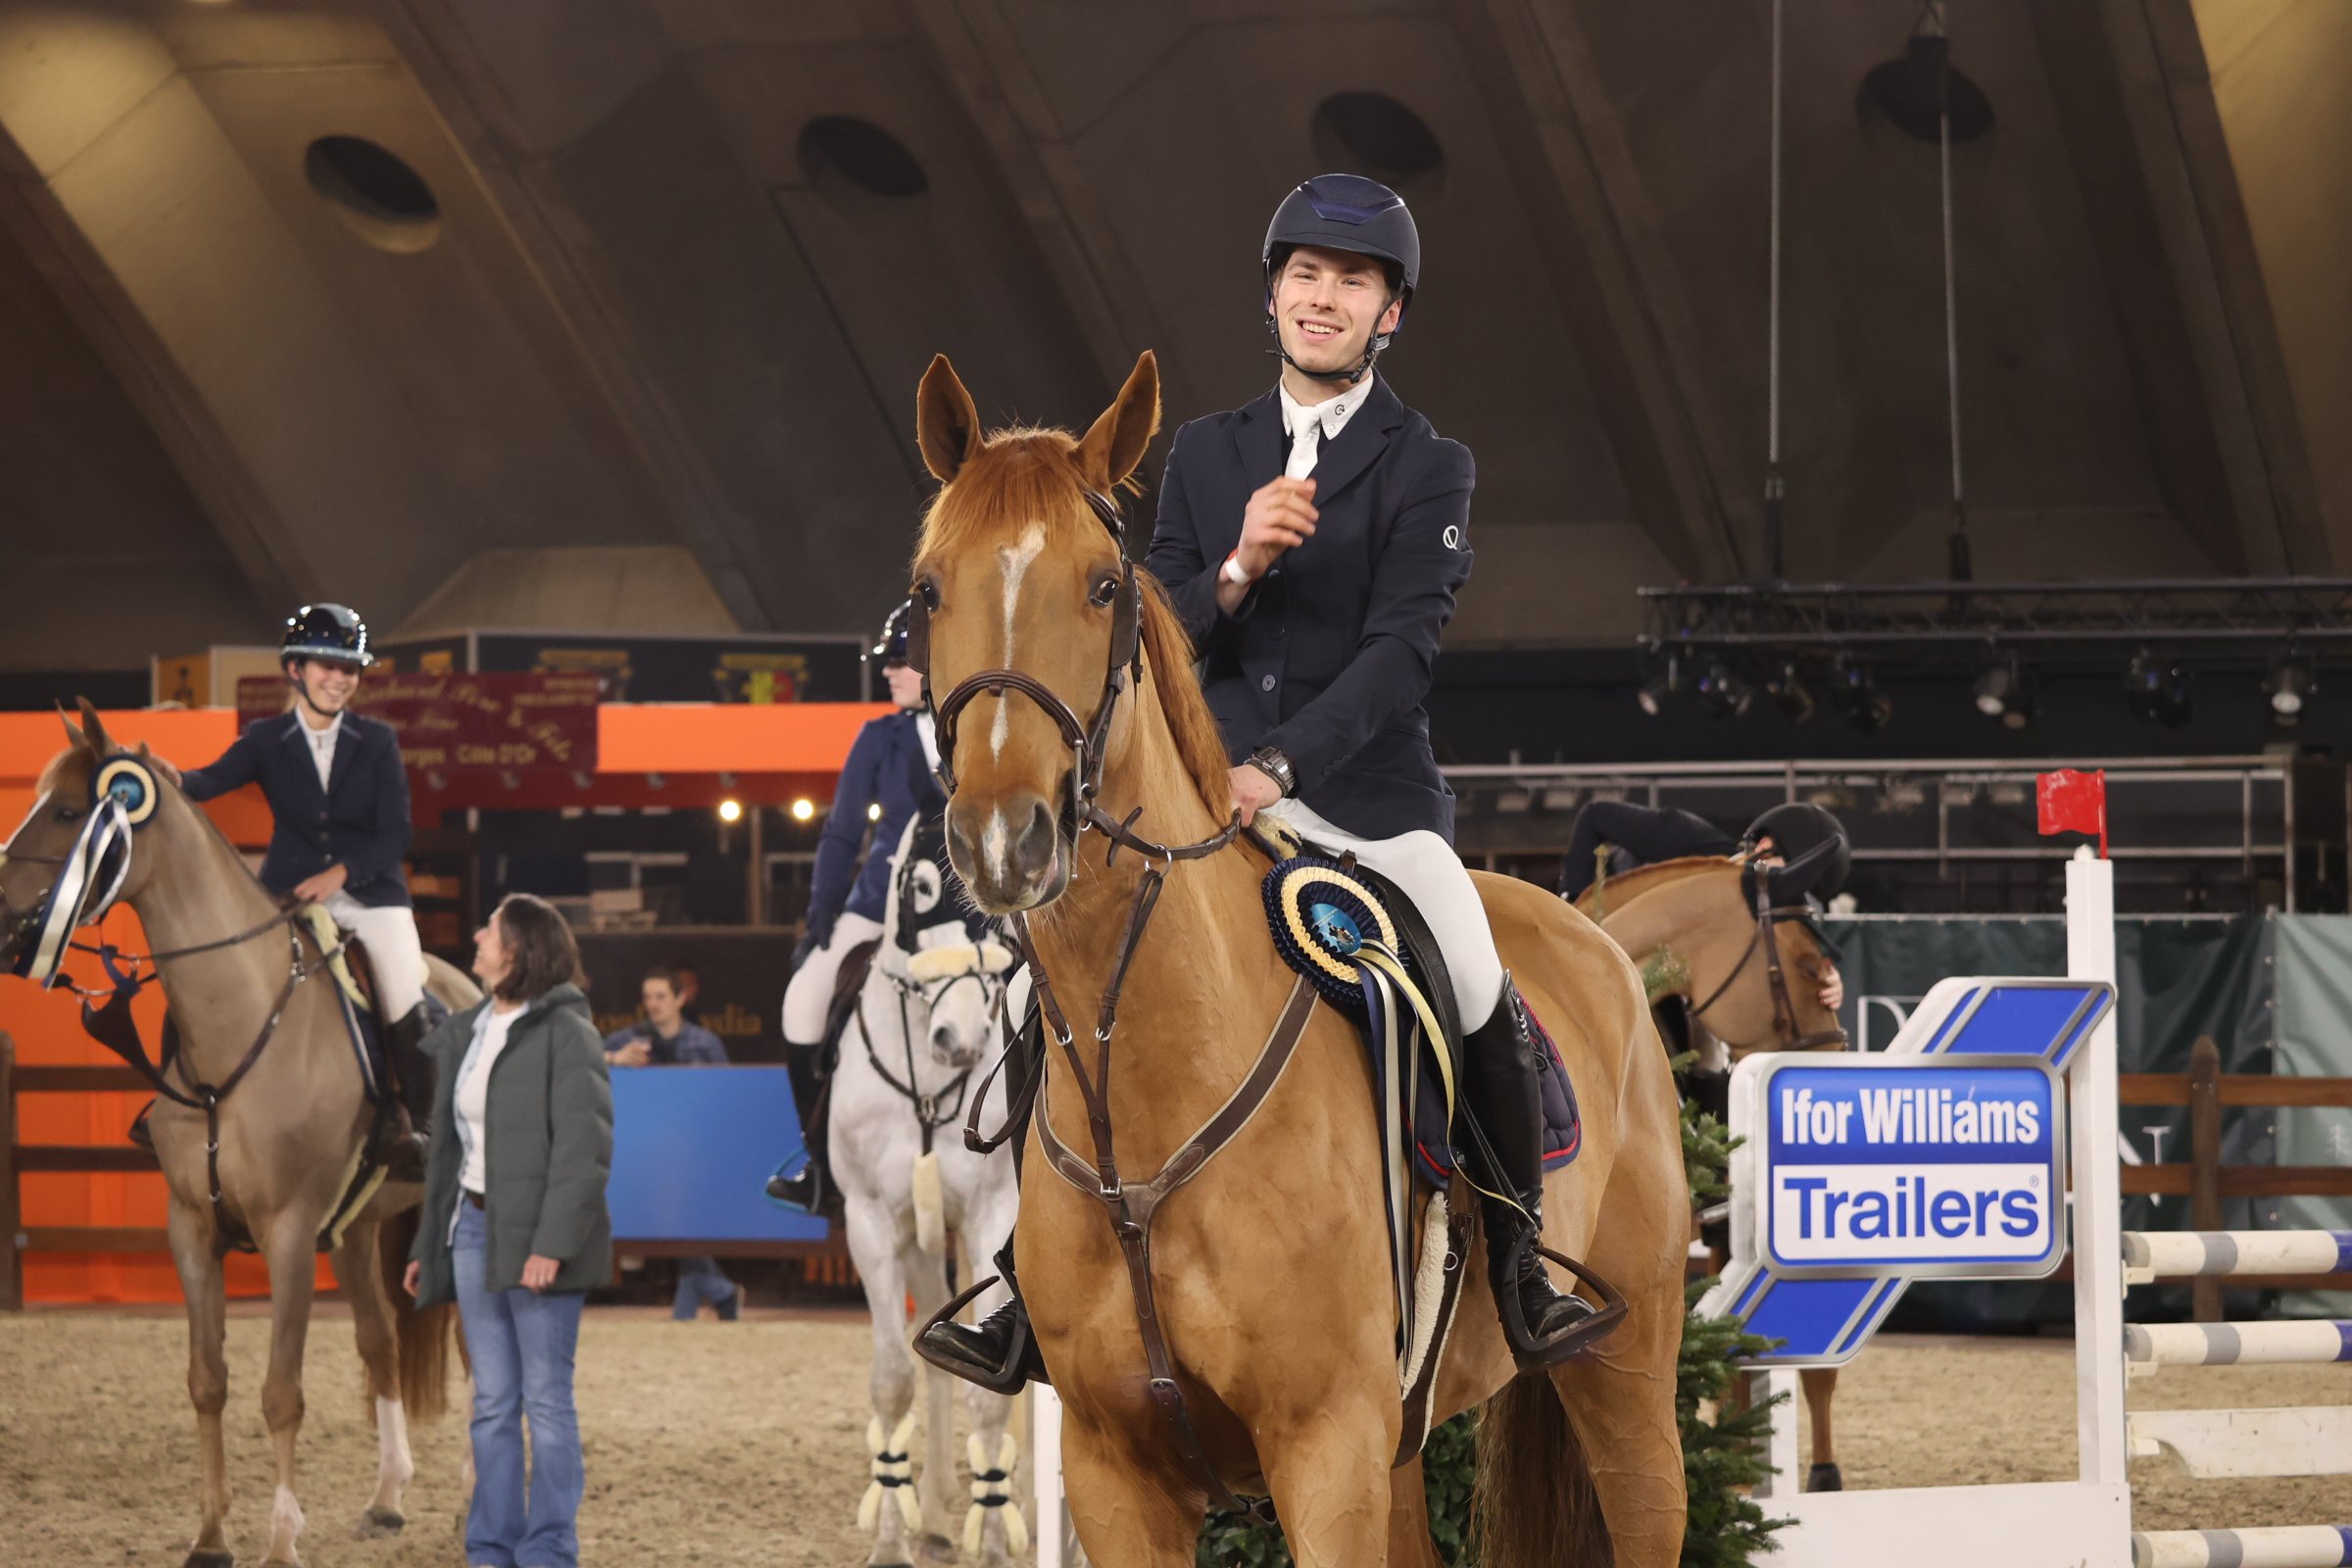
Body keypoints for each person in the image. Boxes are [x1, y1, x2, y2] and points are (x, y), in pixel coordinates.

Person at [922, 172, 1597, 1388]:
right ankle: (1028, 1278)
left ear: (1390, 315)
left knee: (1471, 958)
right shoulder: (1204, 453)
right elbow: (1139, 622)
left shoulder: (1425, 464)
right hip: (1200, 801)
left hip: (1365, 801)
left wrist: (1275, 767)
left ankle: (1520, 1257)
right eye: (1304, 276)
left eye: (1353, 281)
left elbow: (1404, 654)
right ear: (1274, 298)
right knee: (1055, 981)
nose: (1323, 296)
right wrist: (1236, 563)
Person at [146, 603, 435, 1179]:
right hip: (288, 895)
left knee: (403, 983)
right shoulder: (266, 738)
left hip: (371, 895)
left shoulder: (377, 741)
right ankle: (170, 1104)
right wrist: (170, 778)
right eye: (326, 665)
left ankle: (420, 1126)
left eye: (349, 669)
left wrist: (343, 874)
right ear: (296, 670)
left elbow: (396, 832)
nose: (339, 678)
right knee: (203, 975)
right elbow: (207, 781)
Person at [403, 894, 612, 1568]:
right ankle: (490, 1547)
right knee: (492, 1403)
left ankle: (549, 1549)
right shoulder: (467, 1030)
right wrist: (427, 1243)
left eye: (489, 930)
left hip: (540, 1241)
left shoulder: (568, 1031)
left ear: (517, 949)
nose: (476, 936)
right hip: (471, 1233)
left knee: (547, 1403)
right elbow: (446, 1154)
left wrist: (551, 1243)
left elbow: (585, 1149)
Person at [767, 604, 945, 1213]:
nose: (890, 673)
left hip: (970, 911)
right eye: (888, 662)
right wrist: (823, 916)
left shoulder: (980, 725)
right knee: (801, 1003)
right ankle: (820, 1165)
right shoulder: (879, 736)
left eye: (901, 661)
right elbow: (842, 833)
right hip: (878, 907)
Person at [603, 965, 739, 1322]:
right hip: (647, 1157)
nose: (653, 1004)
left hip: (697, 1159)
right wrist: (615, 1060)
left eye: (661, 996)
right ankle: (720, 1294)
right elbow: (582, 1060)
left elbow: (729, 1095)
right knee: (676, 1223)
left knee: (680, 1224)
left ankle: (702, 1303)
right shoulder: (627, 1040)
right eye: (647, 997)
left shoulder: (706, 1044)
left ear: (680, 998)